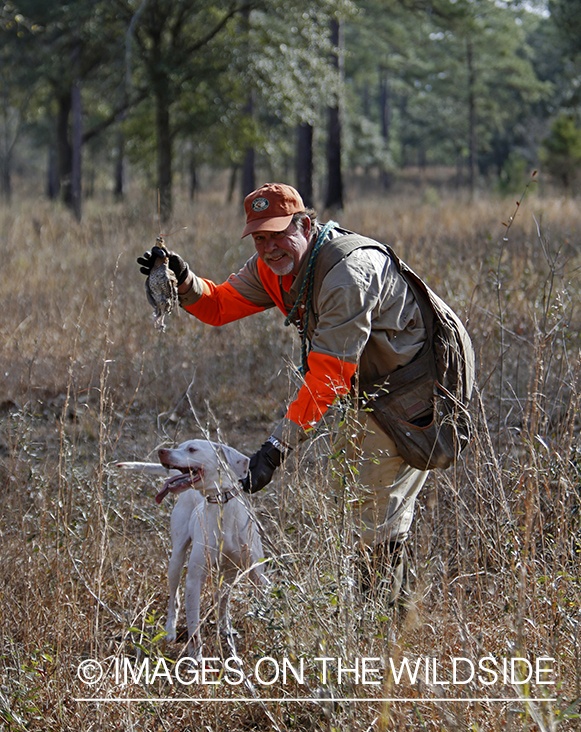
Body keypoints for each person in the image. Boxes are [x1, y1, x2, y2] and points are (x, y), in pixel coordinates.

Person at [138, 182, 473, 607]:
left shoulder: (347, 274)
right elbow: (220, 305)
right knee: (355, 492)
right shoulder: (273, 268)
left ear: (306, 225)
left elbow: (328, 377)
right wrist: (184, 282)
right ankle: (382, 608)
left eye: (279, 234)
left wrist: (275, 449)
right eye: (260, 237)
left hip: (418, 380)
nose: (270, 247)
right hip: (371, 384)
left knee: (372, 501)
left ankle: (386, 617)